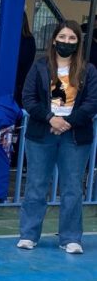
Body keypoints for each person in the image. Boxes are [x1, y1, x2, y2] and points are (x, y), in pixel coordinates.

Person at [17, 20, 97, 255]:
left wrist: (68, 122)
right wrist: (51, 118)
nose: (66, 42)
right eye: (63, 37)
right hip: (42, 134)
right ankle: (28, 235)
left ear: (78, 43)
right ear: (54, 39)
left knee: (72, 187)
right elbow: (28, 98)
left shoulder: (89, 70)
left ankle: (71, 238)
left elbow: (92, 103)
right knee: (36, 185)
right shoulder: (40, 67)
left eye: (72, 39)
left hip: (75, 137)